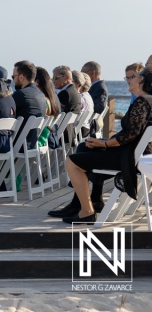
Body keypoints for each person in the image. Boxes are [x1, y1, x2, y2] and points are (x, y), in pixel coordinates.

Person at [52, 68, 152, 224]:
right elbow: (133, 134)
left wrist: (105, 143)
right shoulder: (147, 100)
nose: (129, 80)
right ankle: (86, 202)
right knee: (85, 147)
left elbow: (129, 135)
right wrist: (102, 142)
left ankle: (87, 212)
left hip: (130, 157)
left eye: (134, 77)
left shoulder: (142, 102)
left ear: (141, 81)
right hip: (136, 153)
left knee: (72, 161)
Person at [11, 61, 47, 148]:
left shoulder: (20, 94)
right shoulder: (41, 95)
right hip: (32, 143)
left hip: (19, 145)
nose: (13, 80)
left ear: (21, 77)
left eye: (13, 77)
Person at [82, 61, 108, 136]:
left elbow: (99, 108)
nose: (81, 75)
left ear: (93, 73)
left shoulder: (100, 88)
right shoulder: (95, 87)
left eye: (83, 72)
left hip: (91, 126)